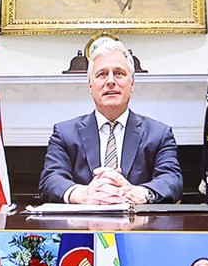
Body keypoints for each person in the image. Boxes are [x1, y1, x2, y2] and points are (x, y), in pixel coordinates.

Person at [38, 40, 182, 204]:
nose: (111, 81)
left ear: (132, 83)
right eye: (102, 74)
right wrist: (83, 194)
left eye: (119, 73)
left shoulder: (158, 134)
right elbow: (50, 180)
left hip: (139, 225)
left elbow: (172, 180)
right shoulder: (64, 133)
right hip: (83, 226)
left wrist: (140, 193)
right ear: (90, 86)